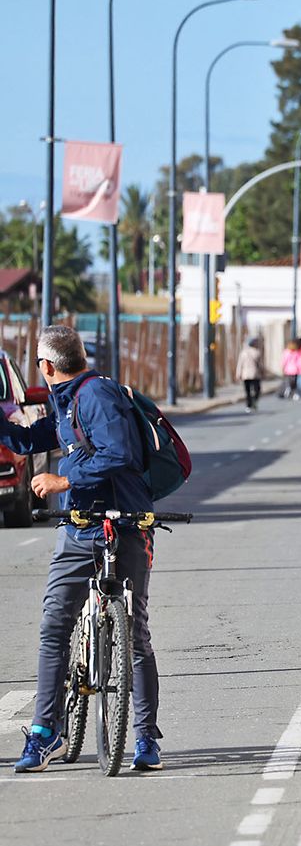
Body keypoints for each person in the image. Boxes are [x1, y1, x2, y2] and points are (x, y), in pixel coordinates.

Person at [1, 326, 167, 772]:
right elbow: (26, 441)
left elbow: (120, 454)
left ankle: (145, 738)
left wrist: (62, 480)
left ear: (47, 366)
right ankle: (45, 732)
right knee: (55, 627)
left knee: (135, 634)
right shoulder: (65, 401)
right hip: (78, 528)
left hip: (124, 526)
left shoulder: (95, 397)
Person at [236, 336, 264, 413]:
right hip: (255, 374)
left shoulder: (243, 353)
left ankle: (249, 405)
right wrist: (262, 372)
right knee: (257, 390)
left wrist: (238, 374)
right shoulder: (257, 352)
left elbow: (239, 364)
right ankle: (253, 402)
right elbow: (260, 365)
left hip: (245, 375)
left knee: (247, 391)